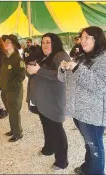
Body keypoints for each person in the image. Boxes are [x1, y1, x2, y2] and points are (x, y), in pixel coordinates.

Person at [58, 26, 106, 175]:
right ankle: (87, 168)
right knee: (88, 142)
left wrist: (77, 69)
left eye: (86, 38)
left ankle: (96, 171)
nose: (82, 41)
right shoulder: (82, 57)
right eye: (81, 37)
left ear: (96, 39)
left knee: (95, 146)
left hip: (94, 113)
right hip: (79, 111)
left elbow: (99, 85)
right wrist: (63, 69)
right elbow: (65, 80)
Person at [26, 33, 70, 171]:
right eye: (43, 42)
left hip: (53, 101)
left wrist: (39, 70)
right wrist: (29, 70)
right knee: (46, 126)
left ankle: (62, 161)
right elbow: (34, 74)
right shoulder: (42, 56)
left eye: (48, 42)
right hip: (42, 101)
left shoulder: (61, 56)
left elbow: (61, 76)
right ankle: (49, 148)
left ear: (55, 43)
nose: (44, 45)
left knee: (56, 130)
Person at [0, 34, 25, 142]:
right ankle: (13, 129)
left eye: (8, 42)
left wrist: (10, 85)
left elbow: (21, 76)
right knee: (10, 111)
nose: (5, 43)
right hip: (5, 90)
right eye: (5, 41)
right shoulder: (6, 58)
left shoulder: (18, 59)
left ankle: (18, 133)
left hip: (14, 91)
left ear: (13, 45)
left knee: (14, 111)